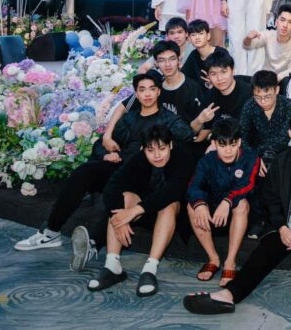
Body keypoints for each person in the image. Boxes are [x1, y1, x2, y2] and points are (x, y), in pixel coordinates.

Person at [14, 72, 193, 267]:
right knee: (84, 172)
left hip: (147, 176)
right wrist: (106, 154)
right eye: (142, 90)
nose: (147, 94)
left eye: (152, 89)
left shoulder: (170, 120)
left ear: (159, 92)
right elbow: (100, 144)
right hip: (120, 166)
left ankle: (93, 244)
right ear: (136, 94)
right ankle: (51, 231)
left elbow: (189, 136)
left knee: (122, 194)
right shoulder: (129, 119)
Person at [183, 111, 291, 319]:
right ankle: (228, 294)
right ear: (290, 133)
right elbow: (270, 198)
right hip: (283, 225)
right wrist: (282, 227)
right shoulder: (281, 161)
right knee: (262, 255)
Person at [87, 124, 193, 297]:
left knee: (170, 204)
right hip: (144, 210)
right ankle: (112, 266)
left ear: (171, 145)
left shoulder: (183, 157)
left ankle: (150, 269)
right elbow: (112, 187)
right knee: (123, 199)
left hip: (172, 215)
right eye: (150, 150)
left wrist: (134, 211)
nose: (157, 155)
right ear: (143, 149)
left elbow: (173, 191)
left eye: (162, 149)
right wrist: (119, 220)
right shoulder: (138, 159)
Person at [186, 117, 260, 286]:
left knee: (242, 204)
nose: (228, 151)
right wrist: (200, 204)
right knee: (193, 205)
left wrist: (227, 201)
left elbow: (247, 185)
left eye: (232, 145)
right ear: (214, 144)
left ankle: (230, 262)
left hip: (243, 218)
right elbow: (194, 185)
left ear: (239, 142)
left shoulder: (251, 158)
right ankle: (213, 258)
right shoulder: (207, 160)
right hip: (214, 215)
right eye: (222, 145)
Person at [103, 40, 208, 159]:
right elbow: (123, 106)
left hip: (182, 144)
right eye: (162, 60)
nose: (167, 64)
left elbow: (202, 124)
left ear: (179, 60)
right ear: (156, 64)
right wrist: (107, 135)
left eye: (172, 59)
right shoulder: (154, 86)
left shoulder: (193, 88)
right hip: (154, 146)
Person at [240, 70, 291, 170]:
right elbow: (242, 136)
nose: (263, 102)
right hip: (254, 156)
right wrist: (253, 158)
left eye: (267, 97)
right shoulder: (249, 106)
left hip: (284, 157)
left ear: (277, 90)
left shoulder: (290, 106)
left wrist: (262, 154)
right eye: (258, 97)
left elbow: (283, 139)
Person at [242, 4, 291, 90]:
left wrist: (278, 77)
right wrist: (248, 38)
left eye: (290, 22)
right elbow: (248, 46)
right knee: (241, 80)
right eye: (282, 20)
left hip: (284, 80)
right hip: (267, 78)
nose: (285, 25)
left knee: (290, 82)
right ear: (276, 22)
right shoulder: (268, 35)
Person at [200, 51, 253, 140]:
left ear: (233, 71)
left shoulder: (250, 94)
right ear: (208, 77)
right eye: (213, 74)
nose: (219, 78)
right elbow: (207, 128)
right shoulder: (208, 97)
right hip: (221, 142)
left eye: (224, 72)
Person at [181, 19, 230, 84]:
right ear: (189, 39)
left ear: (208, 36)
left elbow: (227, 77)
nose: (197, 37)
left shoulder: (221, 53)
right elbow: (184, 76)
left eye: (201, 33)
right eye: (193, 35)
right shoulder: (193, 55)